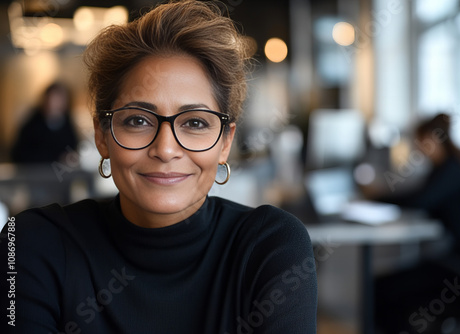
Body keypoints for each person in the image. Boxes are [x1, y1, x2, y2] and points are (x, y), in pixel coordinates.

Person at [0, 1, 317, 333]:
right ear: (102, 135)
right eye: (138, 120)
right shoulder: (31, 243)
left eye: (195, 122)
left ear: (225, 142)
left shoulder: (270, 246)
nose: (166, 149)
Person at [373, 113, 460, 333]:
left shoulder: (452, 168)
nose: (418, 148)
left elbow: (421, 200)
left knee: (381, 289)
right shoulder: (458, 164)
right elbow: (430, 202)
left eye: (420, 141)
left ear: (433, 139)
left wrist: (374, 197)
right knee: (391, 289)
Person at [11, 81, 79, 163]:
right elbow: (19, 153)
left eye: (60, 99)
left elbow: (73, 147)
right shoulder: (32, 124)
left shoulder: (68, 124)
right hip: (35, 172)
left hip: (61, 173)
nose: (55, 103)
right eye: (53, 98)